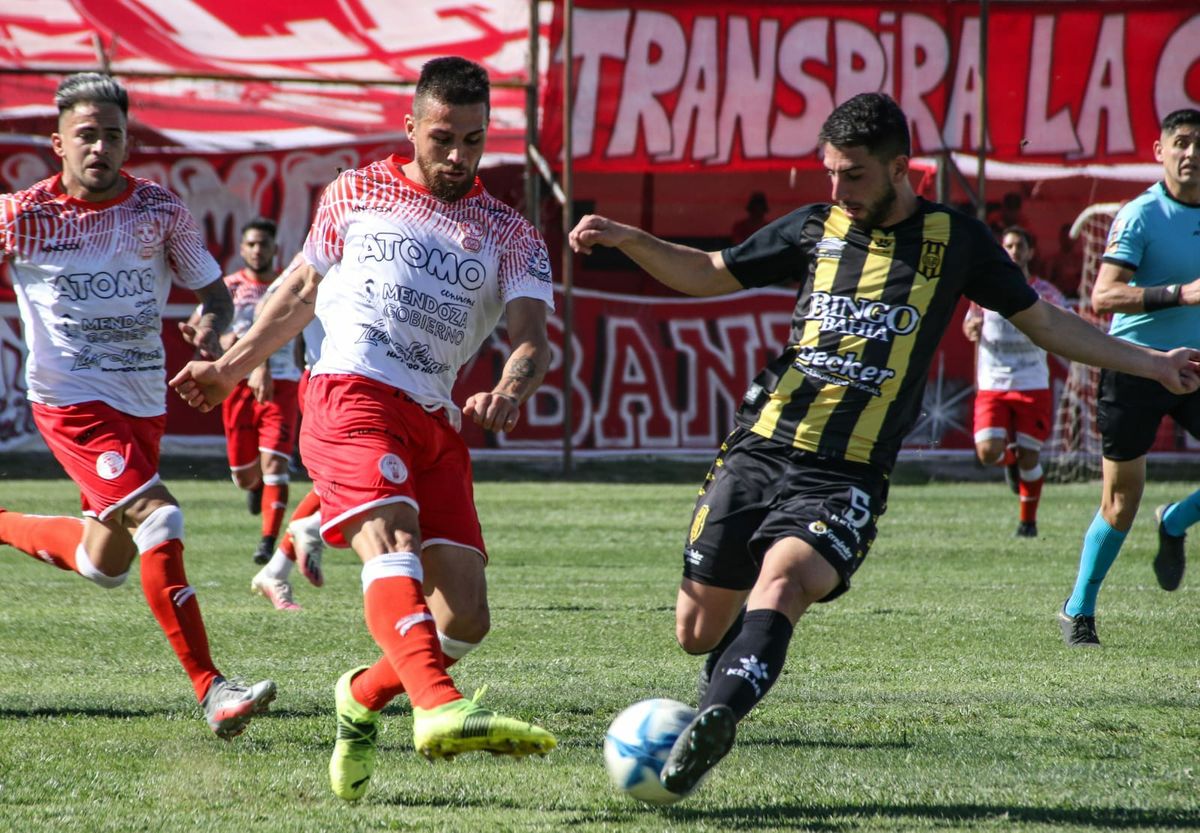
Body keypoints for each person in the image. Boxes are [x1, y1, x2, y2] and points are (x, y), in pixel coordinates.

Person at [567, 92, 1200, 799]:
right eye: (831, 173)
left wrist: (1150, 363)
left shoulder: (956, 241)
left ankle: (718, 716)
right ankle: (726, 670)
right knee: (694, 628)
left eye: (855, 175)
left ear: (901, 168)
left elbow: (1045, 322)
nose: (839, 190)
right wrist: (631, 239)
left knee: (785, 582)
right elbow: (713, 271)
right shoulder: (816, 226)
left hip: (848, 471)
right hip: (759, 446)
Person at [171, 56, 557, 800]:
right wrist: (230, 364)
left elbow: (533, 337)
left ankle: (363, 691)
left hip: (437, 419)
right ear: (410, 127)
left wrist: (509, 388)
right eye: (442, 137)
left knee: (466, 615)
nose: (456, 155)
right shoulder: (355, 190)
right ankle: (438, 707)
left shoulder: (511, 232)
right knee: (394, 540)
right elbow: (301, 292)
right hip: (350, 391)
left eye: (473, 141)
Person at [0, 72, 276, 738]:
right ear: (58, 141)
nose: (100, 147)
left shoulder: (160, 210)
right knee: (160, 516)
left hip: (142, 401)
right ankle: (213, 688)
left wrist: (211, 325)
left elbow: (211, 293)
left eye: (113, 135)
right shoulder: (22, 216)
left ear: (129, 142)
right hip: (70, 401)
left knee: (105, 561)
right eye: (86, 135)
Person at [1059, 108, 1200, 648]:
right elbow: (1103, 295)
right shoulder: (1141, 214)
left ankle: (1177, 520)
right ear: (1159, 151)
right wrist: (1179, 294)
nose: (1191, 153)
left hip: (1195, 364)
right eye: (1181, 142)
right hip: (1136, 365)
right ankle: (1080, 609)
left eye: (1199, 144)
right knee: (1120, 502)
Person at [196, 218, 302, 569]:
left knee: (276, 464)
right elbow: (204, 327)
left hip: (282, 383)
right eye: (252, 244)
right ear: (242, 250)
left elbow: (297, 333)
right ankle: (255, 488)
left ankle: (267, 541)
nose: (258, 250)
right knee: (244, 474)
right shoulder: (228, 289)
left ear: (275, 249)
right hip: (237, 385)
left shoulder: (290, 286)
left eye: (264, 244)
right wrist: (211, 338)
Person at [963, 226, 1068, 538]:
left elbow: (1067, 320)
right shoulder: (986, 289)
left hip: (1032, 383)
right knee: (987, 453)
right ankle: (1009, 461)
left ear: (1030, 251)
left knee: (1031, 460)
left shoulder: (1046, 292)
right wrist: (971, 328)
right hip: (993, 384)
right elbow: (971, 322)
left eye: (1019, 245)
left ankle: (1028, 524)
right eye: (1007, 245)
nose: (1013, 251)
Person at [243, 260, 325, 610]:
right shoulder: (331, 238)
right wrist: (258, 363)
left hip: (376, 384)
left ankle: (277, 568)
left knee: (333, 486)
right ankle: (315, 528)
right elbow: (269, 304)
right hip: (335, 382)